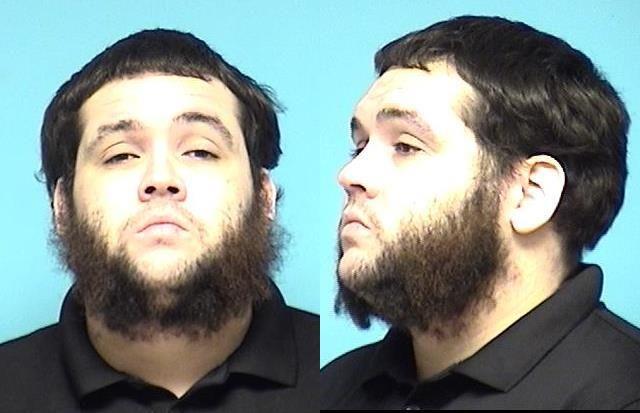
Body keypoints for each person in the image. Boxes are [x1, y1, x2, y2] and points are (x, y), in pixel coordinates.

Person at [321, 15, 640, 409]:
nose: (350, 174)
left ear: (531, 194)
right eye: (359, 146)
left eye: (405, 146)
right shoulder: (333, 389)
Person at [0, 29, 318, 412]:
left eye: (200, 151)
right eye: (120, 155)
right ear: (62, 207)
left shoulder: (339, 380)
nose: (161, 178)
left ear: (264, 197)